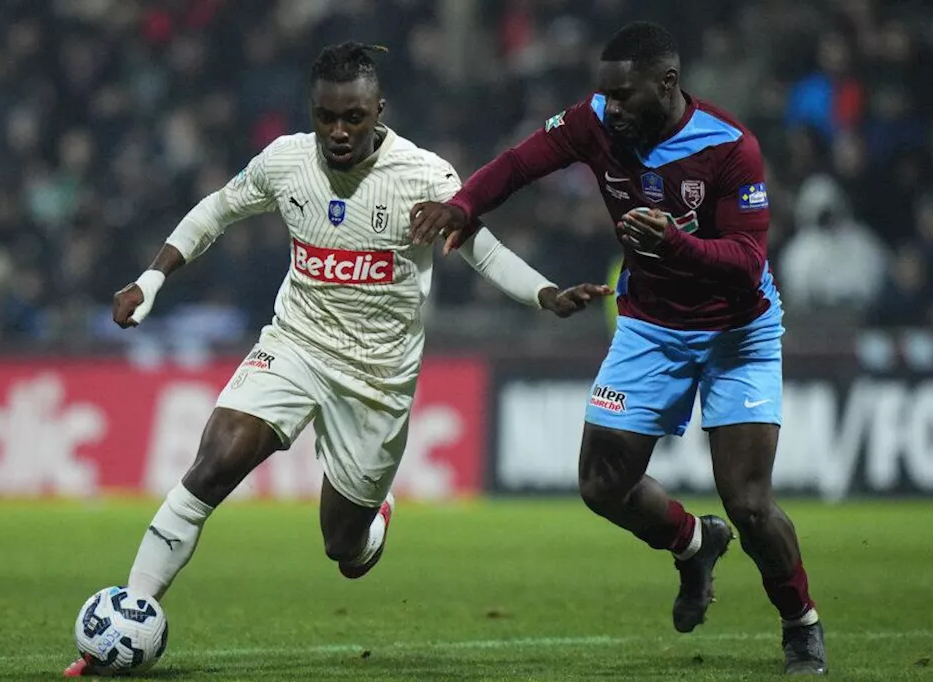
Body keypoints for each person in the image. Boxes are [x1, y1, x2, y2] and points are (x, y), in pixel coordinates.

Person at [64, 42, 609, 677]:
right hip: (295, 344)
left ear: (380, 110)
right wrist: (150, 279)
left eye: (354, 117)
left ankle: (370, 522)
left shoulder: (424, 175)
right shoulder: (286, 162)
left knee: (343, 549)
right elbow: (217, 210)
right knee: (212, 466)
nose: (339, 131)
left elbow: (481, 249)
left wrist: (545, 294)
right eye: (326, 117)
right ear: (312, 111)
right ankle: (131, 615)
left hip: (376, 381)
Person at [410, 22, 827, 675]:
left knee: (748, 502)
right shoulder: (596, 121)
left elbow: (747, 263)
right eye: (605, 96)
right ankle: (693, 543)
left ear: (668, 84)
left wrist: (675, 244)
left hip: (736, 334)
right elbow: (520, 163)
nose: (612, 109)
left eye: (625, 97)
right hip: (651, 325)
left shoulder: (730, 147)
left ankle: (800, 623)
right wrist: (465, 205)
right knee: (602, 485)